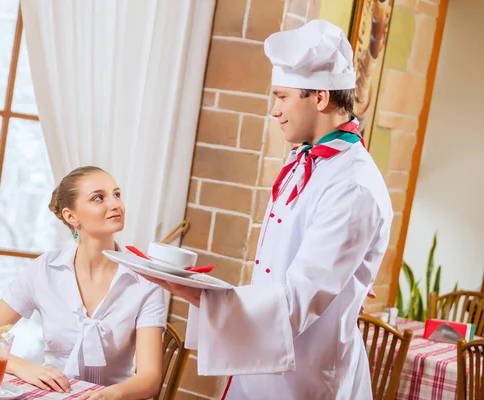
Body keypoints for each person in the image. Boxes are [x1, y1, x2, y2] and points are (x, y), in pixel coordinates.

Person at [142, 20, 393, 399]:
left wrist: (203, 297)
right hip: (263, 363)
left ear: (320, 98)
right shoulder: (305, 161)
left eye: (281, 96)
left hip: (306, 379)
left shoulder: (352, 186)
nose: (274, 111)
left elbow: (297, 300)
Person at [0, 166, 167, 400]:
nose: (115, 204)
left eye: (116, 194)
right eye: (99, 198)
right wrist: (26, 368)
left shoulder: (145, 281)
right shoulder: (45, 270)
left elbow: (150, 379)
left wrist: (111, 395)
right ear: (71, 216)